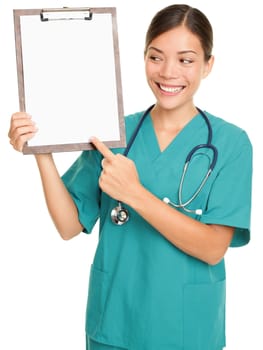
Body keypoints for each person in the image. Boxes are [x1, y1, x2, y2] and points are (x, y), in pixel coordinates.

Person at [8, 4, 252, 350]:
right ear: (143, 58)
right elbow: (67, 226)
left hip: (187, 329)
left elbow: (214, 248)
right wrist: (41, 151)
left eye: (186, 60)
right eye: (156, 57)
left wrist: (135, 194)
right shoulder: (113, 132)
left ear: (208, 65)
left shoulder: (230, 143)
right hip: (115, 325)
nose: (168, 72)